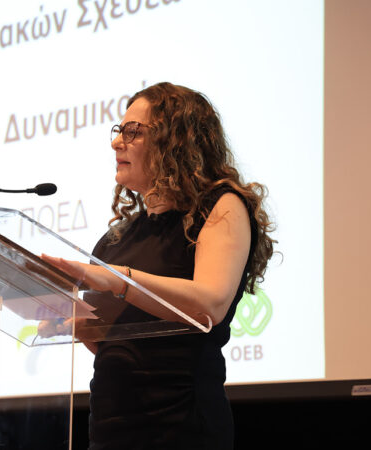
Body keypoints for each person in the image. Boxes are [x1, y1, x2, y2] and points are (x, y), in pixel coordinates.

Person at [42, 82, 275, 449]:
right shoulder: (116, 239)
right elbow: (114, 345)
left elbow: (210, 303)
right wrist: (72, 322)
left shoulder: (220, 207)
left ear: (176, 140)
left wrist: (119, 280)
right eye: (119, 131)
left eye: (132, 131)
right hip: (110, 432)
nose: (116, 142)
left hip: (180, 427)